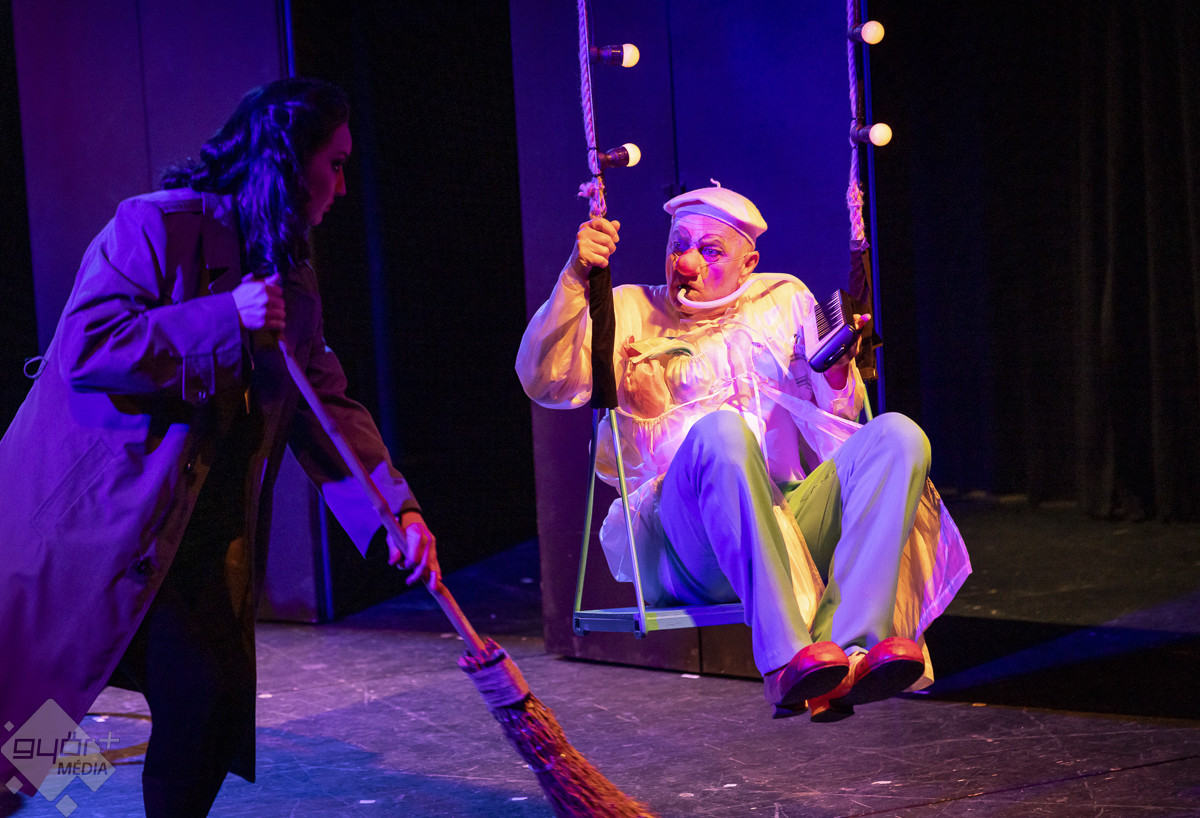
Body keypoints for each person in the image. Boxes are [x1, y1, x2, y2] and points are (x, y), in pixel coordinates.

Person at [0, 78, 438, 817]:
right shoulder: (154, 227)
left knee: (208, 701)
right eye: (333, 164)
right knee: (37, 715)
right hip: (97, 531)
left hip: (192, 539)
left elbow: (324, 406)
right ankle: (28, 793)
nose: (342, 185)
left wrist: (397, 513)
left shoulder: (292, 277)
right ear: (288, 161)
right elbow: (88, 345)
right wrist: (224, 317)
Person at [516, 184, 970, 721]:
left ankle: (847, 651)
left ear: (748, 263)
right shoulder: (628, 309)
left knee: (897, 435)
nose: (686, 263)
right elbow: (543, 379)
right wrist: (575, 276)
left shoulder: (784, 300)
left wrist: (837, 375)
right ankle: (784, 661)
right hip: (685, 540)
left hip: (785, 517)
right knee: (722, 432)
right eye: (678, 246)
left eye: (710, 251)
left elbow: (841, 426)